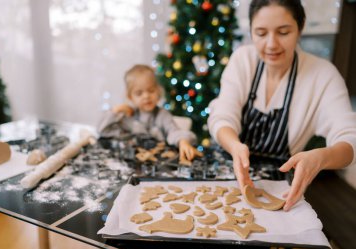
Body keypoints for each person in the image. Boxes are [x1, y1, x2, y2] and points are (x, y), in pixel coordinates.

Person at [208, 0, 356, 211]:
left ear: (300, 28)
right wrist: (235, 146)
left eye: (283, 32)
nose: (271, 44)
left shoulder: (323, 75)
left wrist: (322, 157)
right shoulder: (243, 60)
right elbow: (221, 116)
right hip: (225, 173)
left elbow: (351, 139)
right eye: (260, 33)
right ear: (251, 31)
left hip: (277, 189)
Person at [98, 64, 200, 161]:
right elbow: (103, 131)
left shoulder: (162, 115)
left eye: (151, 91)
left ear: (158, 92)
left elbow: (173, 131)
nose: (146, 96)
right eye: (139, 93)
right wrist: (115, 111)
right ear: (130, 97)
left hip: (159, 166)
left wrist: (182, 141)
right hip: (132, 166)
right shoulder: (127, 116)